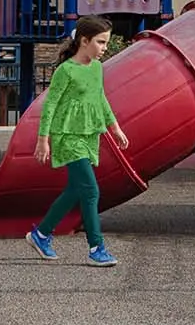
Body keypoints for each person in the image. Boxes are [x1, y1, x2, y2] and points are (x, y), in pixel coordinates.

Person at [26, 16, 132, 267]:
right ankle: (97, 248)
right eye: (101, 42)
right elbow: (50, 105)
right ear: (84, 41)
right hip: (67, 136)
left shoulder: (96, 68)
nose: (105, 47)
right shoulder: (66, 71)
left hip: (89, 135)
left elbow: (100, 99)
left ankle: (40, 235)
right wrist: (43, 139)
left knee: (75, 189)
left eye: (106, 42)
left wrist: (114, 128)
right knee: (90, 190)